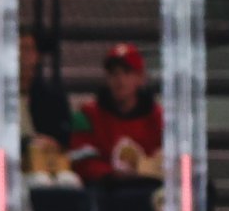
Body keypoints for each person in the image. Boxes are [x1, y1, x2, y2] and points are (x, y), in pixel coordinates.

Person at [68, 43, 163, 187]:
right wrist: (110, 173)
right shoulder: (86, 115)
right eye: (114, 73)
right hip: (107, 191)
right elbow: (81, 160)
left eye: (127, 72)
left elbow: (168, 159)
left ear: (140, 78)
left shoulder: (159, 117)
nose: (120, 79)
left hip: (148, 188)